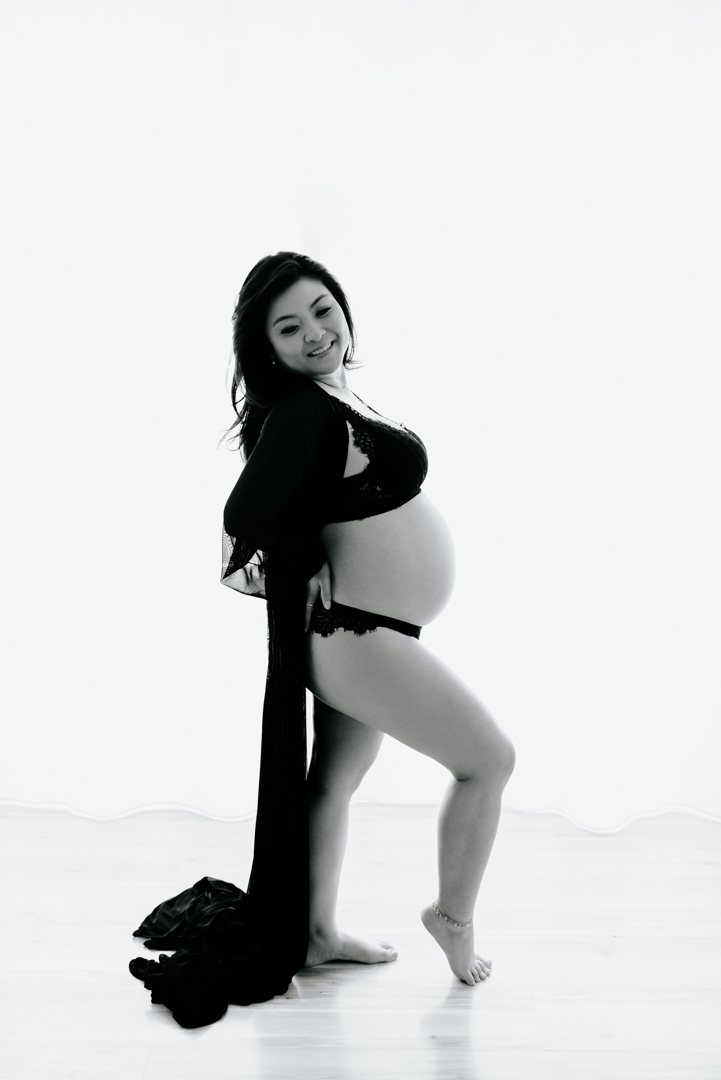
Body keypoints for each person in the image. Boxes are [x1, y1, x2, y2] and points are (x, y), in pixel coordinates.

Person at [129, 252, 515, 1028]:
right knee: (488, 760)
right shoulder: (304, 410)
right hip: (355, 636)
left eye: (322, 310)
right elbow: (246, 514)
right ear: (266, 349)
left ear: (343, 308)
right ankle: (452, 919)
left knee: (335, 782)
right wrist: (300, 561)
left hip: (368, 633)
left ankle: (313, 933)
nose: (313, 332)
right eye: (288, 327)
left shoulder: (333, 396)